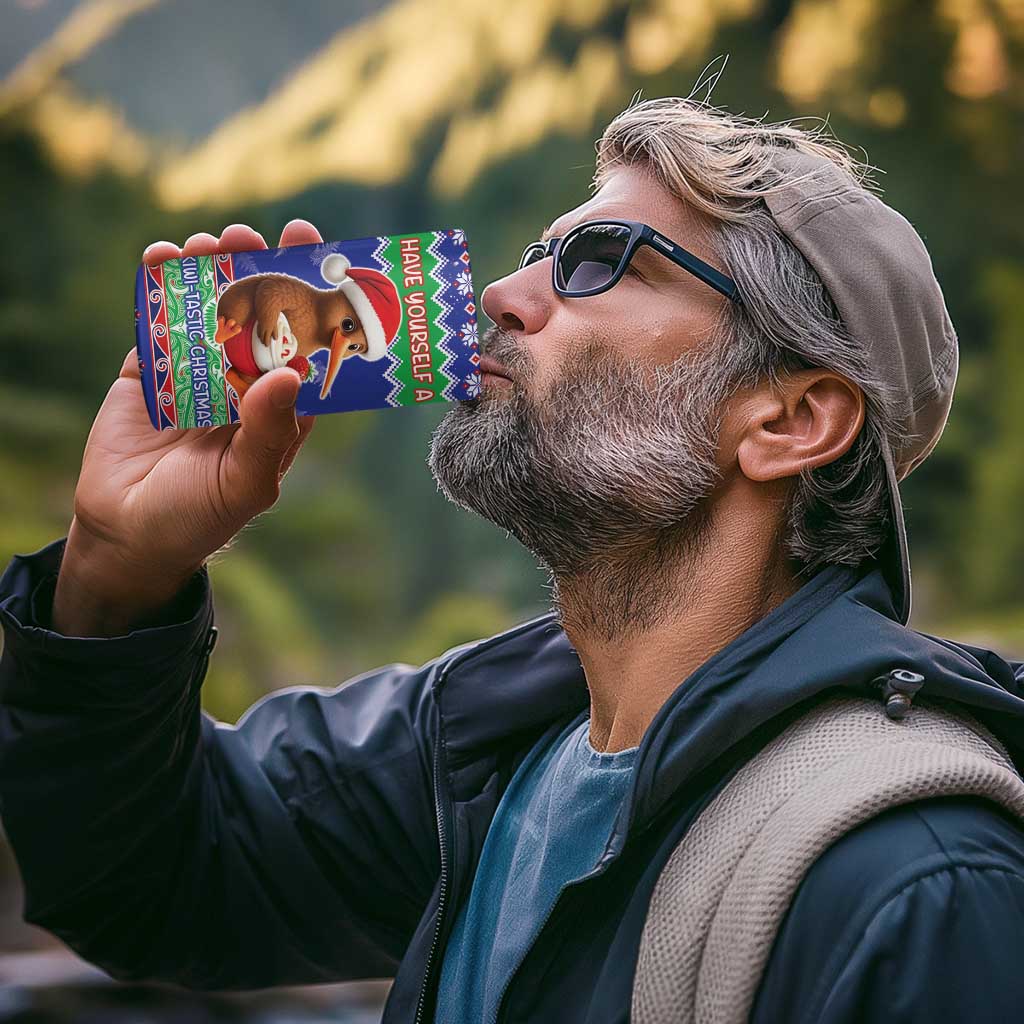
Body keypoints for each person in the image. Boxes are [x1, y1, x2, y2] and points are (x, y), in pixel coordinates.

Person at [2, 96, 1024, 1024]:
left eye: (599, 261)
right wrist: (116, 570)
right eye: (540, 252)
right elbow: (148, 880)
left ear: (791, 419)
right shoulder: (479, 749)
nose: (501, 291)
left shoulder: (918, 883)